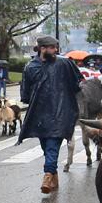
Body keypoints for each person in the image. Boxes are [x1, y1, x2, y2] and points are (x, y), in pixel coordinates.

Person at [19, 35, 82, 194]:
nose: (55, 50)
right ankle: (53, 175)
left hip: (60, 112)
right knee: (46, 146)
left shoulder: (64, 63)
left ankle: (47, 175)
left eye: (56, 47)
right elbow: (25, 95)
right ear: (42, 49)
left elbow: (77, 84)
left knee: (53, 144)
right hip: (39, 115)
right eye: (52, 47)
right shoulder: (30, 67)